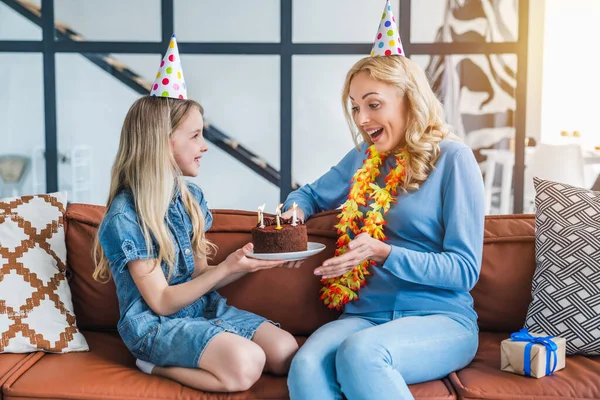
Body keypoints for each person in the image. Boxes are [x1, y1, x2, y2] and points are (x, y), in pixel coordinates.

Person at [281, 2, 485, 399]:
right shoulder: (364, 157)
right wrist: (295, 213)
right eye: (356, 107)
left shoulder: (454, 159)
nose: (361, 119)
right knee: (305, 365)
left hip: (440, 318)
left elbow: (463, 271)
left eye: (373, 104)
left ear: (409, 100)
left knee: (362, 353)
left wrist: (383, 252)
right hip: (366, 315)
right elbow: (309, 193)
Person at [93, 34, 298, 393]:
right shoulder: (126, 216)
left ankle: (218, 351)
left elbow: (200, 275)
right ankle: (151, 365)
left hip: (201, 310)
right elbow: (160, 300)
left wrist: (242, 264)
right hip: (155, 325)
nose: (204, 146)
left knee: (284, 353)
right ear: (162, 141)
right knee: (248, 364)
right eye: (195, 136)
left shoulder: (191, 199)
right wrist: (229, 268)